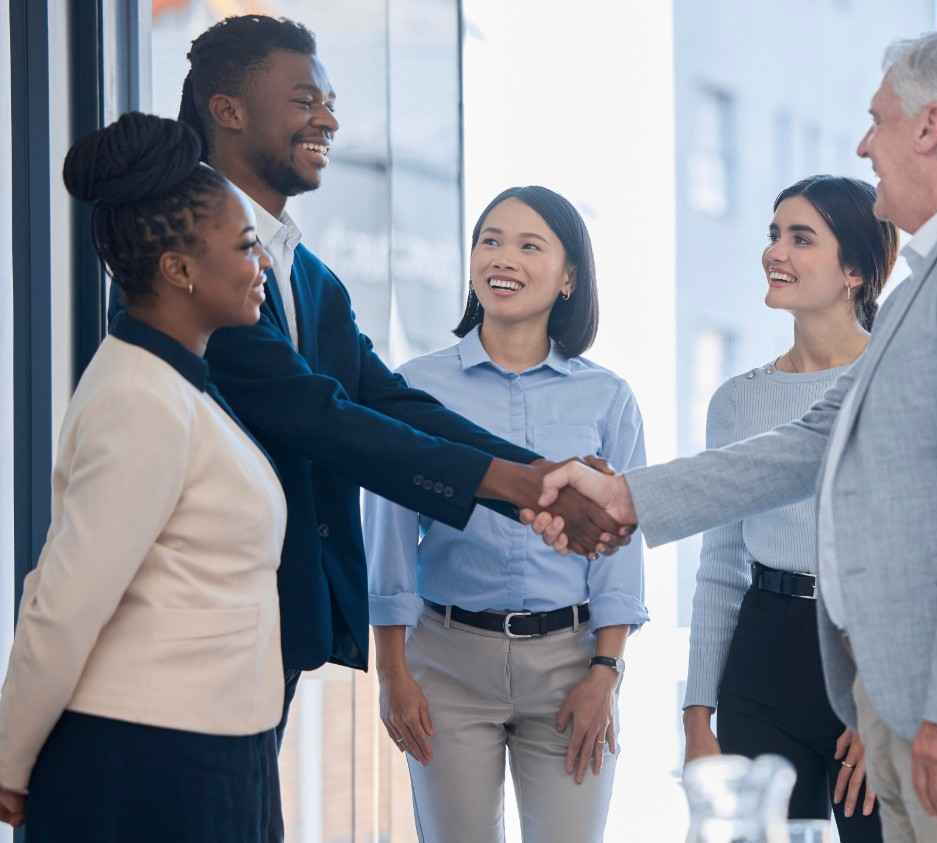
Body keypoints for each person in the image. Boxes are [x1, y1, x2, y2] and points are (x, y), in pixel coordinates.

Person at [530, 30, 937, 843]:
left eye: (878, 121)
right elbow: (812, 437)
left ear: (930, 126)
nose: (862, 144)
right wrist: (627, 494)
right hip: (925, 702)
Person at [109, 14, 627, 746]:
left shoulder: (304, 271)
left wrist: (536, 476)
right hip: (195, 618)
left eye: (328, 99)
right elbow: (317, 417)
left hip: (269, 614)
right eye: (303, 99)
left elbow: (384, 399)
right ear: (227, 110)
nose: (328, 117)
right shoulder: (193, 265)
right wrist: (522, 486)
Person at [0, 112, 284, 841]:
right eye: (247, 246)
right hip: (147, 765)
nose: (263, 265)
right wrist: (8, 760)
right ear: (180, 269)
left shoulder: (176, 385)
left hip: (209, 752)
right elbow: (64, 602)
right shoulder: (140, 399)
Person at [364, 186, 648, 843]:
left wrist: (605, 673)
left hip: (569, 666)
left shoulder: (607, 398)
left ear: (570, 276)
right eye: (490, 239)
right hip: (448, 663)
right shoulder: (417, 388)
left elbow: (622, 548)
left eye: (529, 244)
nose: (503, 256)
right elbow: (389, 531)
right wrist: (394, 671)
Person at [683, 175, 894, 839]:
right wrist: (696, 719)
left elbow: (915, 556)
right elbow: (719, 565)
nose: (776, 250)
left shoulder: (894, 385)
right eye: (774, 233)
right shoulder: (737, 403)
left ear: (854, 269)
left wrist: (884, 706)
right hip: (763, 655)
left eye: (801, 237)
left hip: (868, 655)